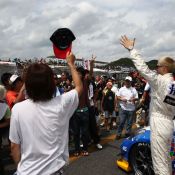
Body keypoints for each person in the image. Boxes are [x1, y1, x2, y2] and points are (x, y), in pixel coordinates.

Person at [9, 52, 83, 175]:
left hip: (25, 171)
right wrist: (70, 64)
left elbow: (14, 146)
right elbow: (79, 87)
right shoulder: (62, 103)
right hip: (54, 170)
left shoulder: (17, 109)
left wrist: (20, 167)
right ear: (51, 83)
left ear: (27, 84)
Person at [120, 35, 175, 175]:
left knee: (159, 162)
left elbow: (143, 68)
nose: (156, 68)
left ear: (164, 68)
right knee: (167, 159)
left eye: (157, 66)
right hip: (170, 123)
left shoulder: (160, 81)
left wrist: (132, 50)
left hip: (159, 122)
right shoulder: (173, 85)